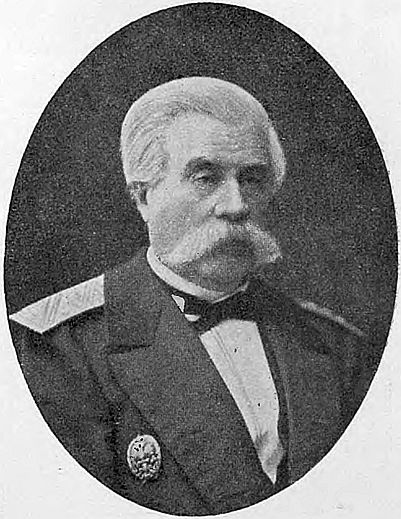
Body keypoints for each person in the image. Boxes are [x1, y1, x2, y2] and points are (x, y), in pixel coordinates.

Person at [9, 77, 373, 515]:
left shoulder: (336, 346)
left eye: (252, 179)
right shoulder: (58, 348)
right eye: (206, 178)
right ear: (144, 197)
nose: (236, 205)